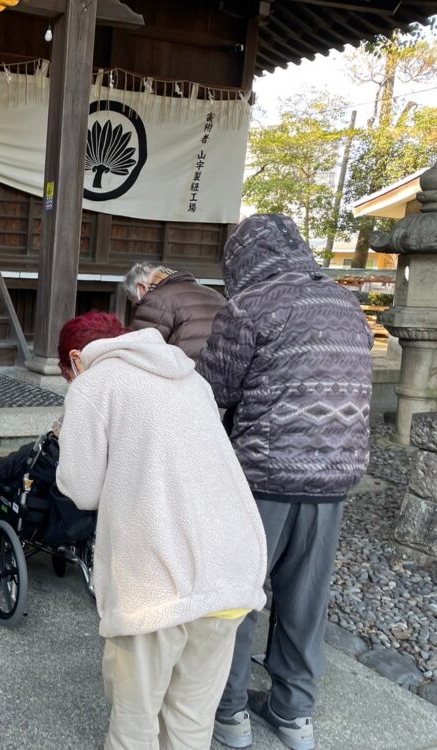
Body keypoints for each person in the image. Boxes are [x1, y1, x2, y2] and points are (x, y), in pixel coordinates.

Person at [54, 311, 267, 750]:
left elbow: (81, 490)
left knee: (135, 725)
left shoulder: (94, 385)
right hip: (230, 568)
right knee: (190, 721)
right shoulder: (191, 379)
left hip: (158, 580)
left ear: (76, 359)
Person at [200, 215, 374, 750]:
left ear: (243, 260)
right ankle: (294, 713)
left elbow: (212, 390)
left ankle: (229, 714)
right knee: (305, 597)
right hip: (335, 478)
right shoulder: (347, 303)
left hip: (265, 476)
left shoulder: (251, 306)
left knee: (239, 594)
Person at [122, 262, 225, 362]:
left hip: (186, 374)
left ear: (141, 287)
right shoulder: (217, 296)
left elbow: (141, 351)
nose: (137, 306)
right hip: (222, 373)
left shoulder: (156, 299)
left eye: (135, 300)